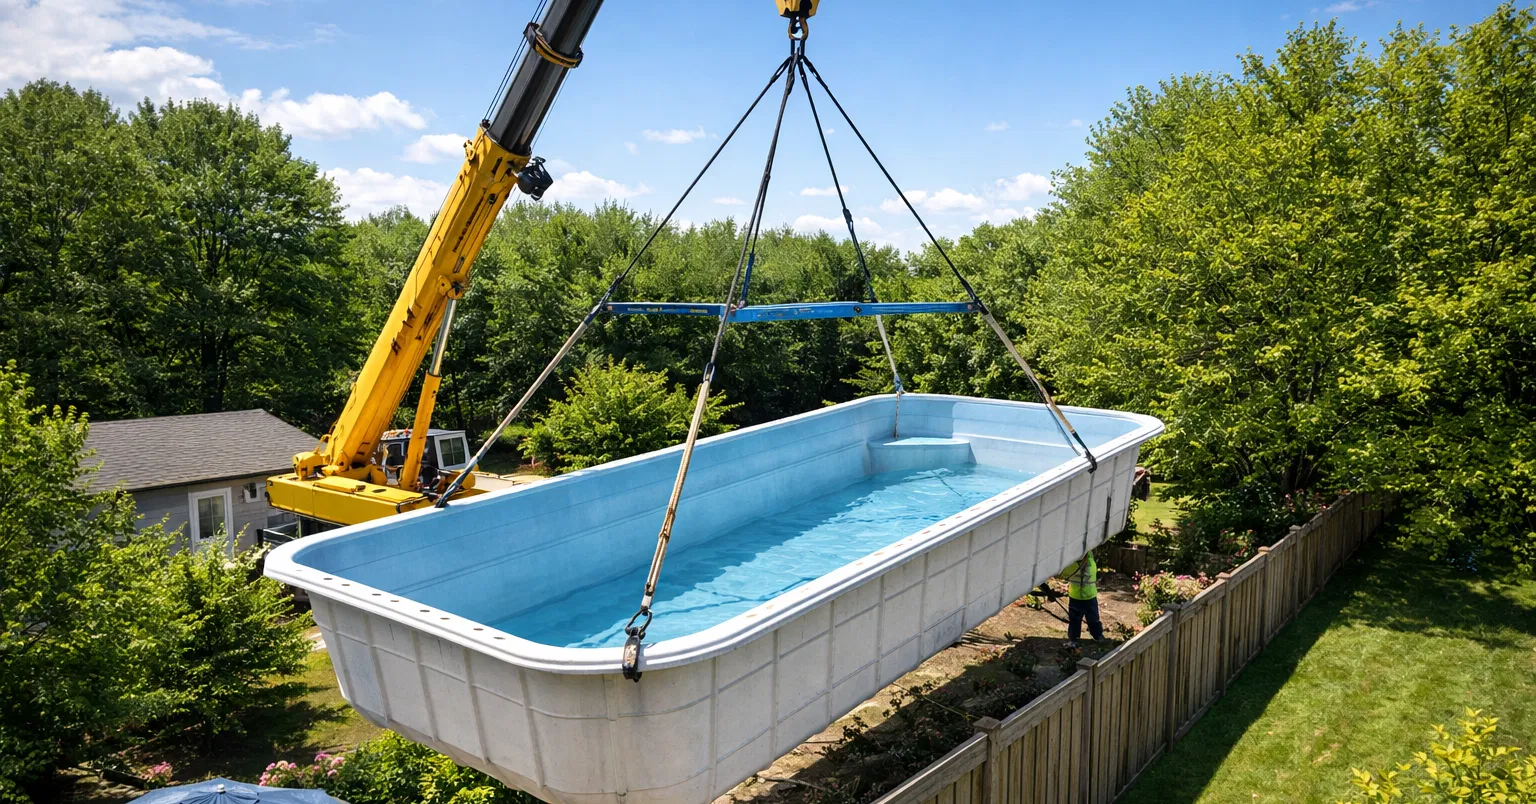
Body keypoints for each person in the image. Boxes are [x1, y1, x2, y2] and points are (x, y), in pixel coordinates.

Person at [1060, 551, 1103, 647]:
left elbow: (1062, 574)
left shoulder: (1073, 563)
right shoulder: (1088, 560)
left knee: (1079, 620)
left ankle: (1077, 640)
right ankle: (1097, 637)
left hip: (1080, 597)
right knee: (1088, 620)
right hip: (1086, 597)